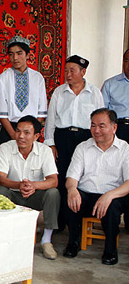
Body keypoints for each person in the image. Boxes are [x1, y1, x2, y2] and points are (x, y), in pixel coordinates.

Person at [44, 55, 104, 231]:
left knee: (82, 178)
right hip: (63, 138)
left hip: (86, 138)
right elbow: (51, 120)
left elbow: (100, 118)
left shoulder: (94, 93)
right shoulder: (59, 92)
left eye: (72, 70)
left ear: (83, 72)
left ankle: (78, 221)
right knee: (62, 178)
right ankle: (60, 222)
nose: (68, 74)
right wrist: (51, 144)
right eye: (66, 70)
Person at [63, 108, 129, 265]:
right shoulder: (83, 147)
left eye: (101, 125)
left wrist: (109, 195)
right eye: (93, 125)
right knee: (70, 197)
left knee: (112, 207)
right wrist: (72, 189)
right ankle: (74, 242)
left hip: (114, 196)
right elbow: (72, 176)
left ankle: (110, 250)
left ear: (114, 127)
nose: (96, 130)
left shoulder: (125, 149)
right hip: (87, 194)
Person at [0, 116, 60, 260]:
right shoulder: (5, 147)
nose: (21, 136)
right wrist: (19, 185)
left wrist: (33, 185)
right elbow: (0, 178)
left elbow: (53, 181)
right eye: (18, 131)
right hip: (13, 195)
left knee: (53, 193)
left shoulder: (45, 151)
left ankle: (46, 240)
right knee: (0, 191)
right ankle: (3, 236)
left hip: (35, 195)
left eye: (26, 132)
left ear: (36, 136)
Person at [0, 35, 48, 145]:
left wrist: (31, 133)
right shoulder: (2, 78)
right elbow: (2, 114)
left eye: (19, 53)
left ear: (27, 55)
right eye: (11, 54)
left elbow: (41, 110)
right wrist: (14, 135)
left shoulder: (37, 77)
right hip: (10, 130)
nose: (15, 58)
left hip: (31, 131)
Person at [101, 48, 129, 231]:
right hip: (119, 129)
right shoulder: (111, 84)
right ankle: (112, 216)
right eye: (127, 60)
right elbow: (103, 113)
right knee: (118, 172)